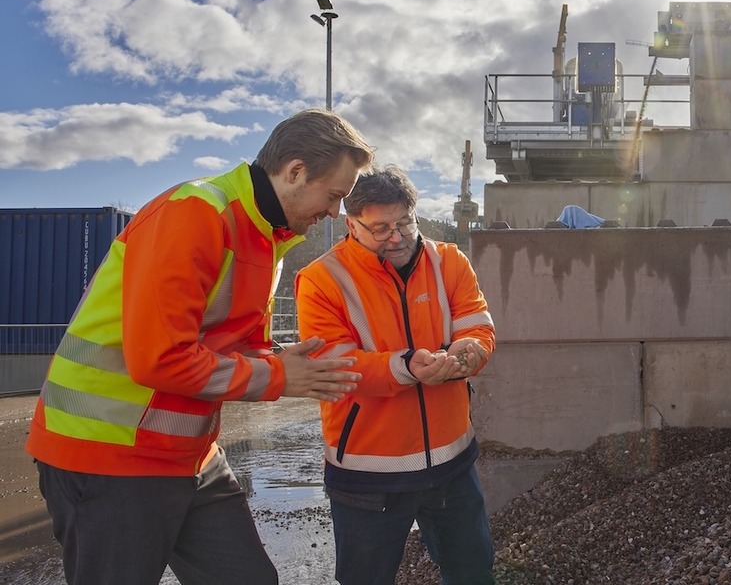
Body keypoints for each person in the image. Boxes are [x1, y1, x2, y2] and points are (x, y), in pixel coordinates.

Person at [25, 108, 376, 585]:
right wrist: (278, 376)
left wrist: (280, 361)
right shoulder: (196, 212)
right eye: (334, 195)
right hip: (106, 456)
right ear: (295, 172)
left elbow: (223, 348)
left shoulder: (265, 235)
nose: (335, 211)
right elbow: (161, 358)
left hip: (189, 455)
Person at [294, 164, 496, 585]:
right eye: (380, 228)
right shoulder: (320, 280)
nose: (397, 236)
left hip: (452, 463)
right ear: (352, 224)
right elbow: (335, 365)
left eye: (404, 222)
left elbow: (476, 324)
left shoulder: (450, 261)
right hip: (368, 475)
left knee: (473, 571)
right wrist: (407, 367)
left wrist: (471, 351)